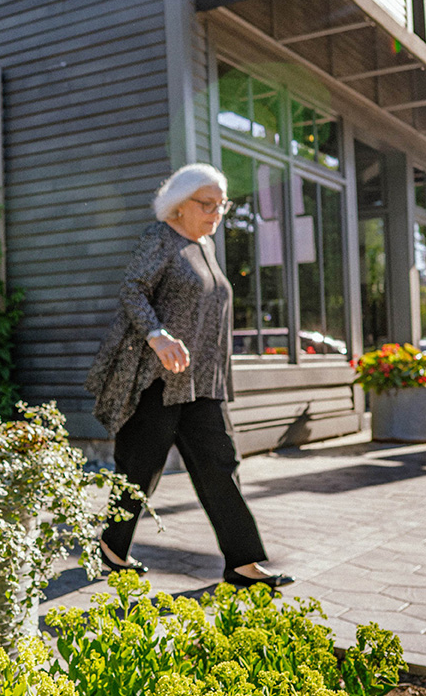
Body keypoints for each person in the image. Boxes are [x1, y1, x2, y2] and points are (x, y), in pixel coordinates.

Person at [84, 163, 293, 589]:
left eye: (222, 205)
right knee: (140, 468)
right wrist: (157, 336)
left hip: (202, 383)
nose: (217, 213)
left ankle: (243, 562)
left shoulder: (205, 247)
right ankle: (112, 546)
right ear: (180, 204)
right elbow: (132, 289)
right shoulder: (160, 238)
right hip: (158, 382)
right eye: (207, 204)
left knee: (221, 465)